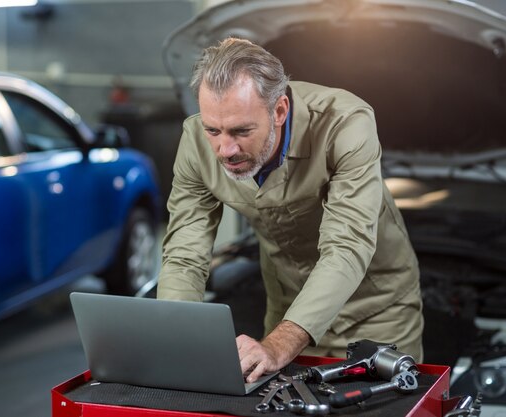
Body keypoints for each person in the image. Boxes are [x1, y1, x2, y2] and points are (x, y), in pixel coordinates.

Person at [156, 37, 424, 383]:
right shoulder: (195, 140)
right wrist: (173, 341)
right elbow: (184, 255)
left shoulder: (345, 123)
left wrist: (278, 345)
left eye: (241, 130)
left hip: (375, 311)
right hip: (285, 307)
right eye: (213, 130)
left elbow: (346, 247)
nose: (224, 149)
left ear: (279, 110)